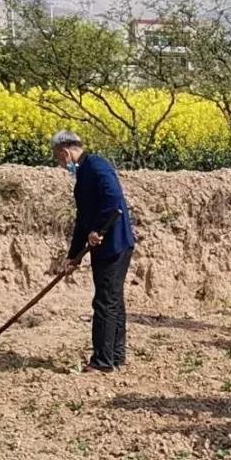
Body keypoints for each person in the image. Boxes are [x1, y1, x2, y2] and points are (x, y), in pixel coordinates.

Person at [53, 130, 136, 373]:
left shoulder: (97, 166)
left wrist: (99, 229)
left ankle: (102, 361)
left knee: (105, 302)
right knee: (112, 300)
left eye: (59, 158)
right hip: (105, 247)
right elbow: (82, 220)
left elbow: (114, 200)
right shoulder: (85, 172)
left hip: (114, 245)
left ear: (65, 151)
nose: (61, 164)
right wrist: (73, 255)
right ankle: (115, 356)